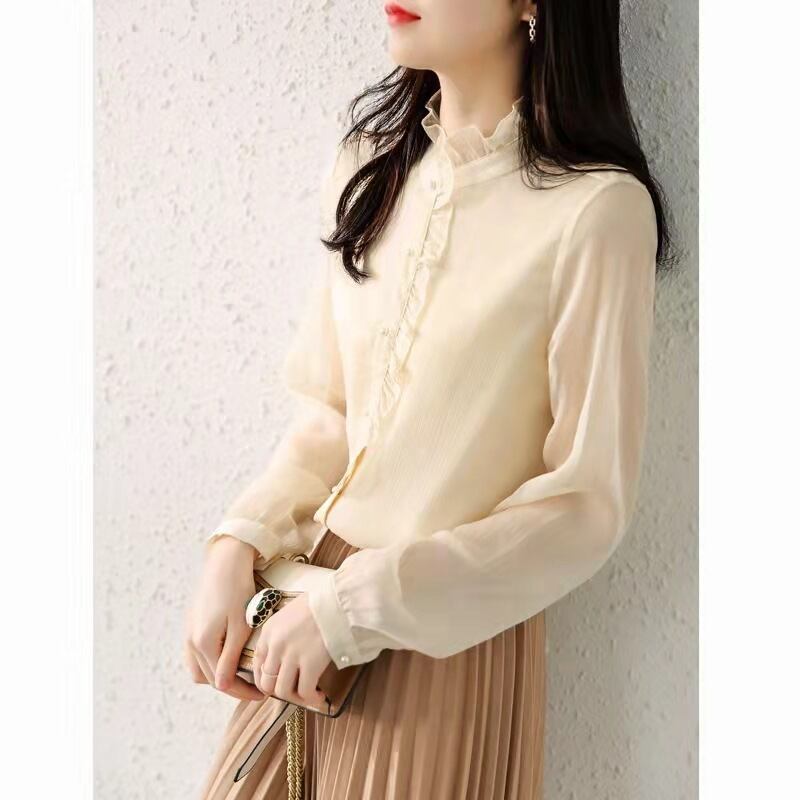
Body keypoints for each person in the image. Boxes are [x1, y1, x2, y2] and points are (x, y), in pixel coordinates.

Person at [187, 0, 674, 797]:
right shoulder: (369, 166)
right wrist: (236, 544)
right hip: (300, 622)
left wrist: (356, 611)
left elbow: (585, 505)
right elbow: (330, 414)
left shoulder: (596, 211)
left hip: (444, 641)